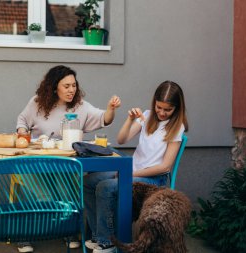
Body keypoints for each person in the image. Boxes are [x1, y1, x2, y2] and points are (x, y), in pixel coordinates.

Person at [16, 65, 121, 253]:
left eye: (74, 85)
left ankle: (69, 231)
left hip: (65, 162)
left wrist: (110, 108)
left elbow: (104, 118)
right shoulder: (37, 102)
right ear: (54, 87)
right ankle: (24, 236)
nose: (71, 90)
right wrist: (23, 133)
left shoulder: (80, 105)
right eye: (66, 86)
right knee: (39, 195)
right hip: (38, 159)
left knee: (68, 191)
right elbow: (22, 120)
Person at [83, 80, 188, 253]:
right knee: (88, 181)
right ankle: (99, 235)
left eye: (167, 109)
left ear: (177, 108)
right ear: (154, 102)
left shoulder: (177, 127)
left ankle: (106, 242)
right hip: (131, 171)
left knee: (105, 187)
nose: (161, 112)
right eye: (159, 107)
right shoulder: (146, 116)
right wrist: (130, 119)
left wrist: (130, 175)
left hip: (153, 179)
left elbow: (165, 167)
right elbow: (121, 139)